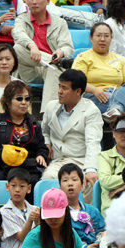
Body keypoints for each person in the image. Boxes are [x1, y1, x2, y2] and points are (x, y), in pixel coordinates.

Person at [41, 69, 103, 200]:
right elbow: (44, 130)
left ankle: (84, 218)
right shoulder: (51, 106)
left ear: (78, 91)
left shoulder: (91, 111)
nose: (59, 91)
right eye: (59, 86)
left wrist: (91, 169)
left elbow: (93, 142)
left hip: (81, 161)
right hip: (59, 161)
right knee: (47, 181)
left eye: (64, 88)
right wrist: (47, 142)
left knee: (88, 183)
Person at [0, 80, 49, 189]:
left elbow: (41, 147)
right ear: (7, 101)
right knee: (0, 179)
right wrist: (6, 154)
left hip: (26, 167)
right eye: (19, 98)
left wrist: (41, 155)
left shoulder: (33, 123)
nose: (24, 102)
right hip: (0, 167)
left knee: (34, 181)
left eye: (27, 99)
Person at [12, 0, 73, 112]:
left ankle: (47, 115)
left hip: (49, 70)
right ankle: (56, 62)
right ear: (25, 2)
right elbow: (17, 34)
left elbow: (68, 47)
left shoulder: (60, 23)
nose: (34, 2)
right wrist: (32, 46)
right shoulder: (21, 19)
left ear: (48, 1)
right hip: (29, 69)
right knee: (17, 48)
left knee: (52, 68)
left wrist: (60, 52)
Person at [72, 22, 125, 120]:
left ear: (111, 38)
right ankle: (117, 111)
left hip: (117, 94)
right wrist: (94, 90)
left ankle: (115, 110)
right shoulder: (83, 57)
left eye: (106, 36)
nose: (102, 39)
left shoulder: (119, 59)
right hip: (94, 95)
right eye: (98, 35)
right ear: (91, 38)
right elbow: (76, 81)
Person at [58, 163, 105, 248]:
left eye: (74, 180)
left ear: (82, 185)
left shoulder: (92, 210)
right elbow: (63, 238)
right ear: (60, 187)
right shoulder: (59, 214)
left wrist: (100, 244)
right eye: (65, 180)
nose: (70, 183)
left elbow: (102, 231)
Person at [0, 168, 40, 248]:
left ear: (29, 188)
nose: (17, 190)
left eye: (22, 186)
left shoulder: (35, 209)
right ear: (7, 187)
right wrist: (30, 220)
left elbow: (40, 234)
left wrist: (38, 223)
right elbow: (22, 237)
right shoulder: (4, 212)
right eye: (13, 185)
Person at [105, 0, 125, 68]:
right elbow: (110, 57)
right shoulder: (109, 25)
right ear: (120, 8)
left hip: (118, 66)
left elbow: (120, 57)